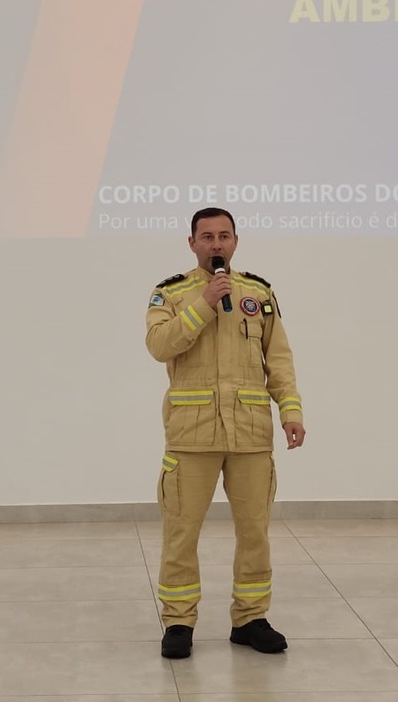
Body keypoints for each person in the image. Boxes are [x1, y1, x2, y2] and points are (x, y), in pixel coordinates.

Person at [145, 207, 306, 659]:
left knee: (255, 530)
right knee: (181, 531)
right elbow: (160, 346)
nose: (216, 244)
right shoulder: (171, 294)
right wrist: (204, 305)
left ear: (236, 241)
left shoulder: (258, 293)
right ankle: (179, 622)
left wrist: (290, 410)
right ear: (191, 243)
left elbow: (279, 359)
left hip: (251, 434)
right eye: (207, 236)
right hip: (191, 436)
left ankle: (251, 618)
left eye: (224, 236)